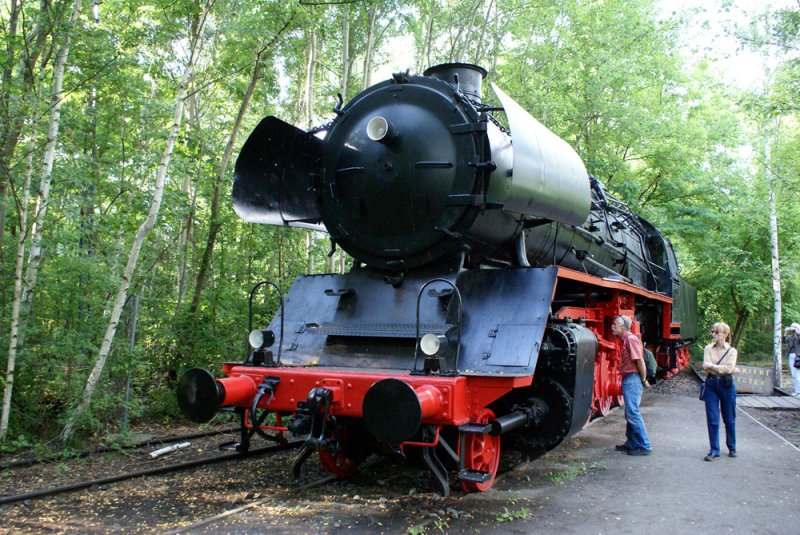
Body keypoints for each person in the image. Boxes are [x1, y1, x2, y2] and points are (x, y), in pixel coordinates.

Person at [611, 315, 652, 456]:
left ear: (623, 326)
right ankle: (632, 443)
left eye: (615, 324)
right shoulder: (625, 340)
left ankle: (644, 445)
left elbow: (639, 361)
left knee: (633, 412)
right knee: (630, 412)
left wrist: (643, 379)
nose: (612, 326)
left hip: (632, 379)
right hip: (630, 378)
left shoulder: (630, 339)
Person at [702, 322, 738, 461]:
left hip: (726, 385)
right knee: (712, 419)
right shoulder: (708, 348)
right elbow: (705, 367)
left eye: (717, 332)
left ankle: (732, 446)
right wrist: (720, 368)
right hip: (711, 384)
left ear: (725, 334)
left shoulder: (732, 351)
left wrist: (712, 366)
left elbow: (728, 369)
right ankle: (714, 450)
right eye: (713, 331)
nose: (713, 334)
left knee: (729, 418)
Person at [783, 323, 800, 397]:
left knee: (798, 375)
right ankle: (797, 391)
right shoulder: (790, 337)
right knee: (793, 375)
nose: (793, 330)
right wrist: (785, 332)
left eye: (794, 328)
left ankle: (799, 392)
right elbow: (783, 341)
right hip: (791, 356)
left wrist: (797, 331)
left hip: (798, 357)